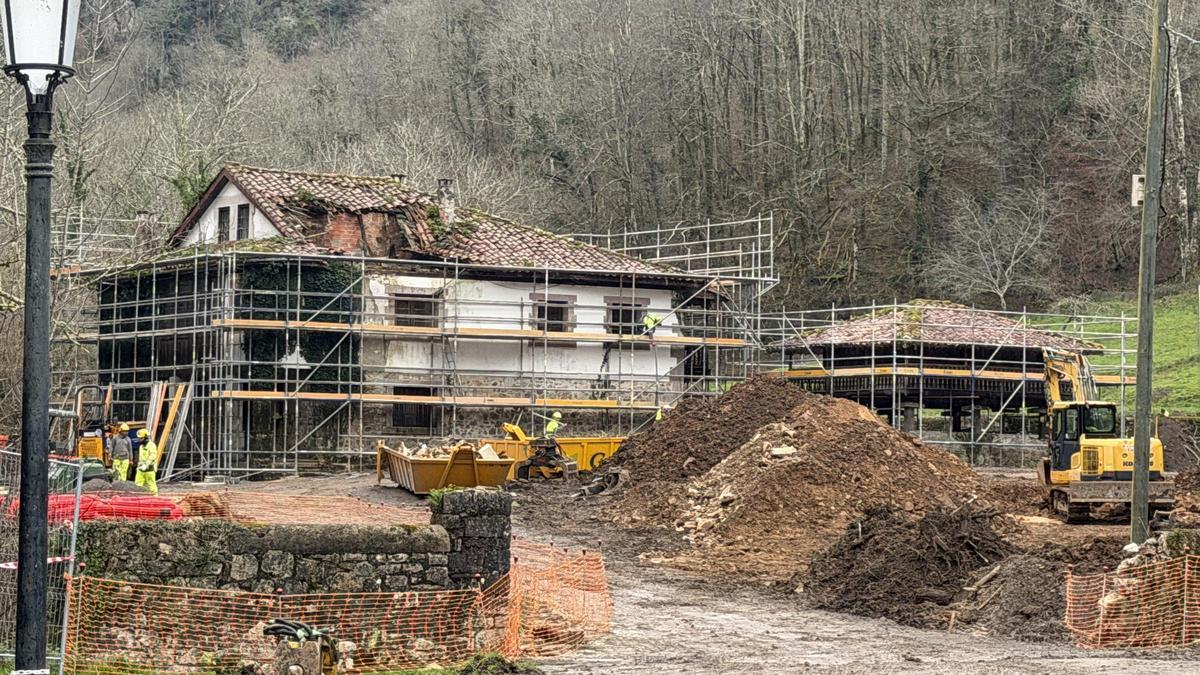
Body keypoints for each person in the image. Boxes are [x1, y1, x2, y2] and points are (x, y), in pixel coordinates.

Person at [135, 428, 158, 495]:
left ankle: (155, 498)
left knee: (151, 485)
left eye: (141, 438)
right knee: (138, 484)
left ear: (146, 438)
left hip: (149, 469)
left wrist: (146, 464)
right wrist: (139, 466)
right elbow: (140, 458)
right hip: (141, 469)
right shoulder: (141, 446)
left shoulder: (151, 445)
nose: (139, 440)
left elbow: (152, 456)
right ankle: (138, 498)